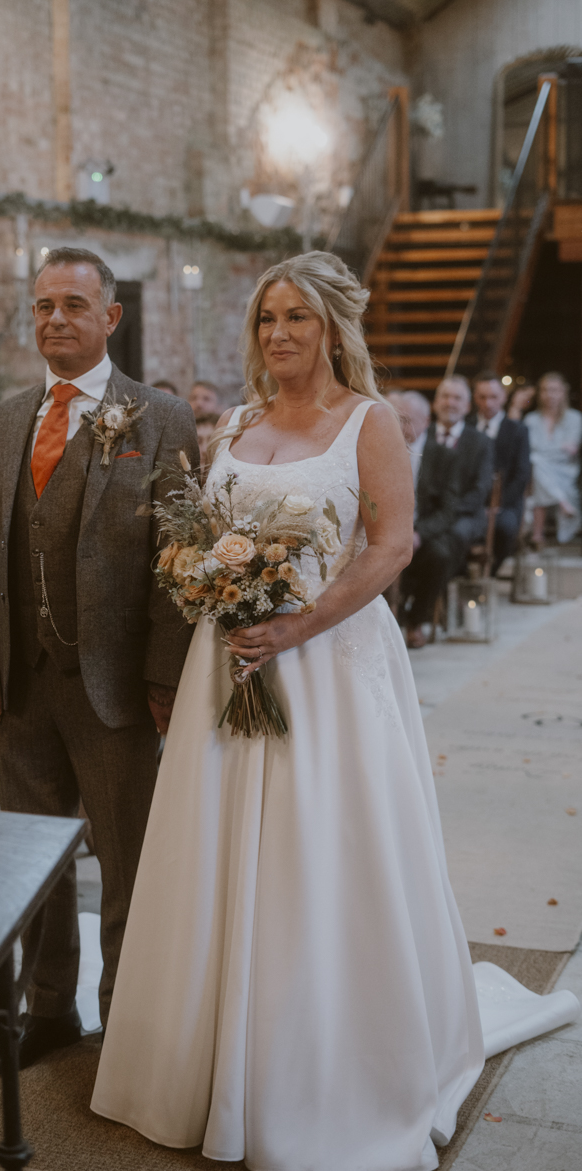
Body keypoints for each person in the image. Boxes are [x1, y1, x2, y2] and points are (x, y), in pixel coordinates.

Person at [91, 252, 484, 1169]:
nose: (279, 333)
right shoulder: (235, 423)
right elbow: (200, 535)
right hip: (225, 661)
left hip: (327, 668)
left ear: (334, 327)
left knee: (321, 849)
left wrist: (295, 625)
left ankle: (323, 1065)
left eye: (297, 317)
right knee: (213, 846)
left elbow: (391, 546)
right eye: (268, 318)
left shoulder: (368, 422)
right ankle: (200, 1059)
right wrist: (207, 584)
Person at [0, 246, 198, 1074]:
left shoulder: (160, 416)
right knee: (33, 858)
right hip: (19, 682)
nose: (54, 318)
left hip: (116, 688)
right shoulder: (8, 416)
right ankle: (50, 1007)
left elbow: (177, 560)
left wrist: (165, 676)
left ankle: (128, 1023)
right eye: (42, 305)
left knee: (127, 862)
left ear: (111, 317)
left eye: (72, 304)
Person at [396, 391, 460, 648]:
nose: (401, 427)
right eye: (398, 420)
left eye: (407, 421)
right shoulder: (384, 449)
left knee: (439, 556)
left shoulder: (444, 456)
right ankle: (390, 619)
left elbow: (448, 510)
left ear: (426, 421)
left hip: (422, 530)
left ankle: (415, 621)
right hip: (387, 529)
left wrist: (419, 533)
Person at [471, 372, 531, 571]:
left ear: (504, 397)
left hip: (505, 501)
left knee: (505, 528)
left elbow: (521, 474)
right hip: (471, 501)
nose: (488, 403)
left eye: (493, 397)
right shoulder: (468, 426)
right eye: (482, 397)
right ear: (475, 397)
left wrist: (499, 504)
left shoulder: (517, 430)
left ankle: (492, 571)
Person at [429, 375, 494, 556]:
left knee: (452, 536)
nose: (450, 402)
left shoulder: (481, 442)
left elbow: (481, 488)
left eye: (457, 398)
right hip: (426, 514)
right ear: (435, 403)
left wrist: (447, 513)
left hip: (464, 514)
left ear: (467, 406)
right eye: (445, 396)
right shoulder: (422, 435)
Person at [524, 372, 582, 546]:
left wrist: (545, 451)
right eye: (546, 390)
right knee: (536, 463)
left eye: (555, 390)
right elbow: (530, 449)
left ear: (563, 392)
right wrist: (560, 447)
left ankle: (537, 535)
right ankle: (562, 501)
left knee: (537, 463)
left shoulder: (575, 418)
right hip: (539, 470)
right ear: (540, 393)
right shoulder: (531, 419)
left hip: (565, 469)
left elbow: (570, 451)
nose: (550, 395)